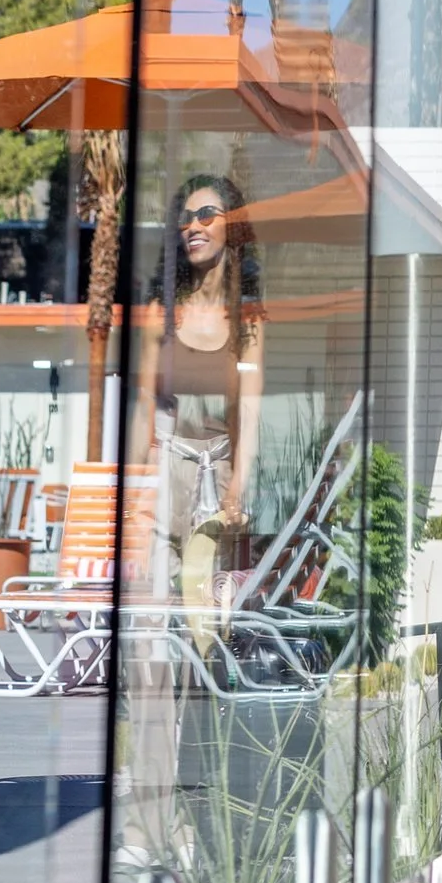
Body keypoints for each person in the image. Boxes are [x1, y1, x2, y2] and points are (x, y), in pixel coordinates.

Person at [150, 170, 264, 635]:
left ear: (231, 227)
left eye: (206, 214)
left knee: (209, 609)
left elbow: (250, 409)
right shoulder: (162, 312)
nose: (193, 225)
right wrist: (140, 476)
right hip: (168, 465)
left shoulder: (247, 318)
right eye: (185, 218)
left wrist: (240, 480)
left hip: (216, 476)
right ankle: (151, 705)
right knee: (157, 599)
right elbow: (143, 402)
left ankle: (203, 703)